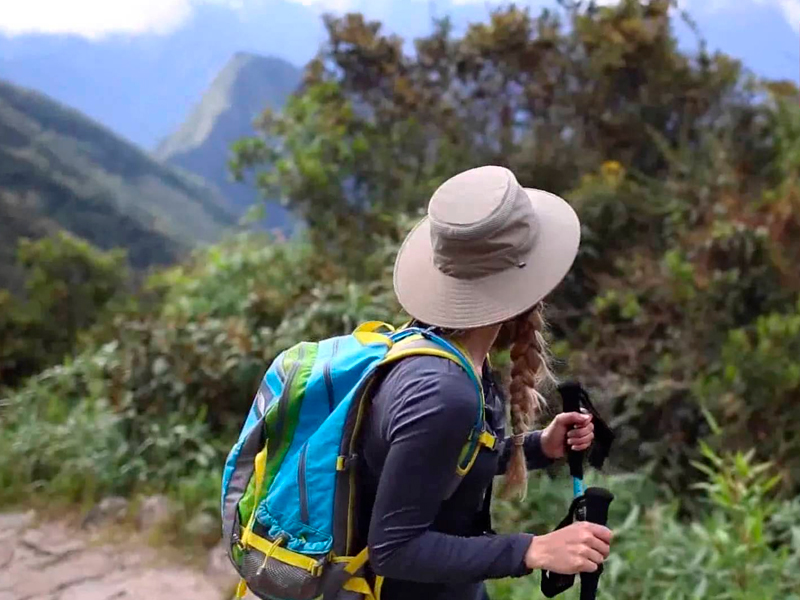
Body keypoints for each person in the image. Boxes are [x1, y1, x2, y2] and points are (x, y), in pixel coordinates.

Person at [354, 165, 614, 600]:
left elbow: (437, 465)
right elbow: (393, 550)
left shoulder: (446, 352)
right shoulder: (443, 392)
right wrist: (533, 550)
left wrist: (539, 446)